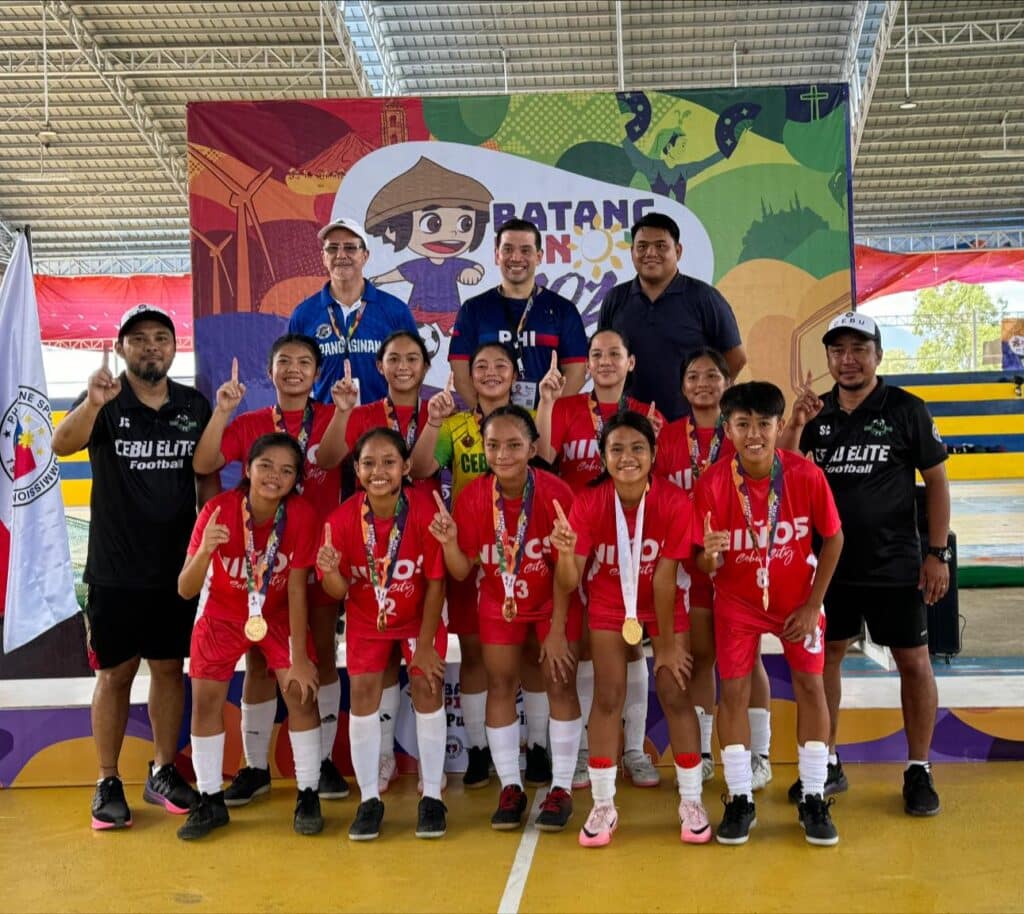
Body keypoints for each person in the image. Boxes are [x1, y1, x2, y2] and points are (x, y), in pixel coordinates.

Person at [52, 304, 215, 831]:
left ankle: (164, 770)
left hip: (175, 571)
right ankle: (106, 780)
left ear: (173, 348)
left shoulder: (193, 405)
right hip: (114, 571)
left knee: (170, 670)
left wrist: (209, 547)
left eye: (161, 338)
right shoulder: (105, 399)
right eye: (139, 338)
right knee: (115, 673)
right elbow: (61, 445)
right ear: (122, 348)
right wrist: (93, 403)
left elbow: (207, 474)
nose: (151, 346)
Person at [781, 311, 950, 817]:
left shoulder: (907, 410)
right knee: (826, 658)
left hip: (896, 564)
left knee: (914, 664)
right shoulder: (816, 414)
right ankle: (826, 760)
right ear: (828, 358)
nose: (848, 360)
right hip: (828, 568)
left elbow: (937, 483)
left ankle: (919, 768)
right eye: (838, 351)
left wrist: (936, 553)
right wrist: (795, 424)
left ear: (878, 354)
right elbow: (785, 474)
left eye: (859, 349)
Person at [190, 333, 350, 804]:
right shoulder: (252, 423)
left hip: (318, 555)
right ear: (271, 371)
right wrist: (222, 411)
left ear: (317, 374)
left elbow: (339, 460)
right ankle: (254, 766)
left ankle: (318, 762)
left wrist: (341, 412)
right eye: (284, 361)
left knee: (317, 653)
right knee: (257, 662)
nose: (294, 369)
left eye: (305, 362)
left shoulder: (333, 417)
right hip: (265, 567)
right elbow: (204, 463)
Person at [694, 382, 843, 846]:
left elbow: (834, 538)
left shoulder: (804, 475)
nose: (754, 434)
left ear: (781, 426)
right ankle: (740, 797)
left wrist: (813, 603)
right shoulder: (713, 482)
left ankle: (814, 794)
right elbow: (702, 561)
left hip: (797, 601)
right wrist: (711, 557)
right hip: (737, 604)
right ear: (728, 428)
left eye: (764, 424)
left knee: (810, 686)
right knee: (733, 692)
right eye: (743, 424)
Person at [428, 406, 583, 832]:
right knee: (499, 684)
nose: (503, 454)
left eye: (514, 445)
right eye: (493, 444)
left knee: (559, 681)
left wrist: (555, 630)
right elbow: (462, 571)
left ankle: (562, 787)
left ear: (533, 448)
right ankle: (510, 787)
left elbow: (569, 578)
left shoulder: (555, 494)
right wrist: (448, 543)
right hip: (499, 604)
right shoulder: (474, 497)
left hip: (552, 602)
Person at [560, 411, 709, 848]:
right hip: (609, 604)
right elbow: (571, 582)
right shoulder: (588, 502)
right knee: (608, 698)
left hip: (662, 605)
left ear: (654, 454)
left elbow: (665, 579)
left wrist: (664, 647)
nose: (628, 458)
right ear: (604, 457)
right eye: (617, 449)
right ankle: (604, 804)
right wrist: (567, 555)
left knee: (675, 693)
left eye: (637, 448)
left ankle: (692, 801)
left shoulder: (675, 502)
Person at [411, 342, 552, 790]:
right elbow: (420, 469)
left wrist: (546, 404)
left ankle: (541, 748)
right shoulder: (453, 424)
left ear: (515, 375)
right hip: (472, 552)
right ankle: (476, 750)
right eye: (481, 366)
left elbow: (546, 462)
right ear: (468, 375)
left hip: (525, 552)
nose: (491, 373)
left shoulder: (525, 422)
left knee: (532, 653)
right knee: (474, 654)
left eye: (501, 366)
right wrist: (433, 422)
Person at [535, 330, 664, 791]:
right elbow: (544, 458)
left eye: (615, 353)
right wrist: (547, 402)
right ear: (585, 365)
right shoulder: (569, 408)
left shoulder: (650, 416)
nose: (605, 361)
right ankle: (590, 746)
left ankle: (633, 748)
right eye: (596, 355)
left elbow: (659, 480)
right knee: (587, 642)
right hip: (579, 536)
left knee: (631, 643)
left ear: (631, 362)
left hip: (629, 543)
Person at [176, 434, 321, 840]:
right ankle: (209, 800)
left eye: (287, 470)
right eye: (266, 466)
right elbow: (186, 588)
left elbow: (295, 588)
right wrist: (205, 550)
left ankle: (308, 792)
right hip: (221, 615)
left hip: (274, 614)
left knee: (300, 690)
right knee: (205, 701)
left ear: (295, 480)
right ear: (247, 469)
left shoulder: (302, 515)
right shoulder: (217, 511)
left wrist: (298, 657)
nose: (275, 476)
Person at [318, 428, 449, 840]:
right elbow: (336, 593)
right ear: (356, 470)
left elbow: (435, 584)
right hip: (365, 621)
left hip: (417, 620)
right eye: (369, 463)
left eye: (389, 462)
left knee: (427, 685)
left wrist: (425, 646)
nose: (379, 471)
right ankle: (369, 799)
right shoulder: (340, 520)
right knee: (362, 697)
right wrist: (332, 572)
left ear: (406, 467)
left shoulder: (425, 511)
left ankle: (432, 796)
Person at [654, 348, 774, 790]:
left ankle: (759, 754)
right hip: (690, 562)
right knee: (702, 657)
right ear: (682, 386)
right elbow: (660, 500)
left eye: (712, 376)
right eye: (693, 376)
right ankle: (703, 752)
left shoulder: (742, 431)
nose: (703, 383)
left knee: (746, 659)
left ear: (728, 383)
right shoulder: (666, 437)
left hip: (739, 559)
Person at [597, 212, 746, 421]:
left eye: (660, 246)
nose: (650, 253)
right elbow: (603, 355)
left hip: (688, 426)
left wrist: (705, 397)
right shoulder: (615, 299)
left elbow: (736, 357)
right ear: (631, 252)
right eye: (642, 247)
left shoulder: (704, 297)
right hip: (630, 425)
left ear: (678, 251)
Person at [448, 218, 588, 409]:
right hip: (491, 432)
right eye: (507, 249)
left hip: (546, 426)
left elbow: (576, 373)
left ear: (539, 256)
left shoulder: (563, 310)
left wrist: (547, 419)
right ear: (497, 255)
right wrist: (490, 420)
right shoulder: (473, 309)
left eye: (525, 250)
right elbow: (461, 375)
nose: (515, 257)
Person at [289, 217, 418, 405]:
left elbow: (415, 369)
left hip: (382, 424)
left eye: (350, 247)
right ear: (323, 258)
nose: (341, 255)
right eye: (332, 248)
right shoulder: (304, 314)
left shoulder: (395, 311)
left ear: (365, 256)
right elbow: (295, 378)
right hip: (326, 426)